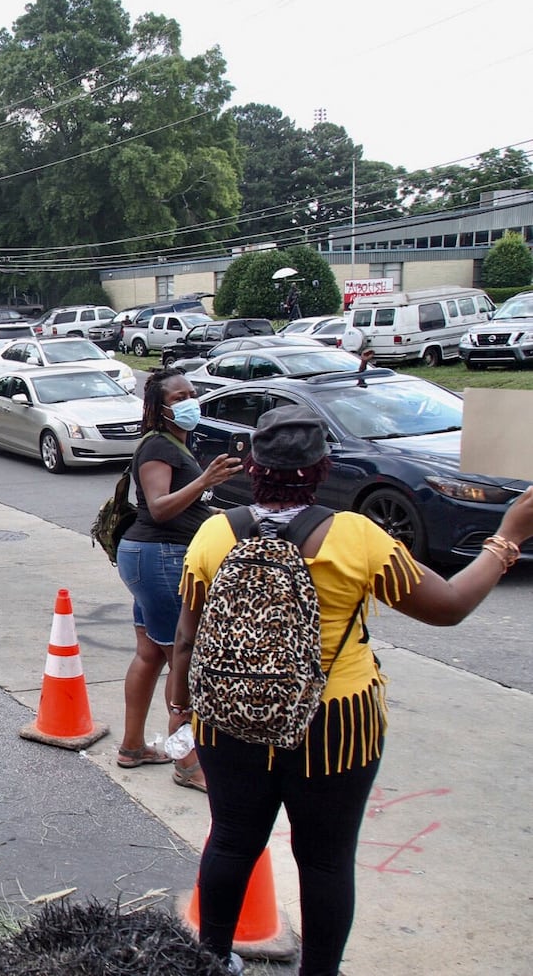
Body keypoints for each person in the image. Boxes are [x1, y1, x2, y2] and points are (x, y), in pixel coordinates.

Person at [170, 406, 533, 976]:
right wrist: (506, 538)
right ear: (322, 468)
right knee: (325, 860)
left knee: (232, 841)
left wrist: (179, 713)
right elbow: (451, 607)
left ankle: (210, 960)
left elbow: (186, 638)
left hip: (230, 718)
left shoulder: (215, 533)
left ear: (253, 466)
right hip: (335, 724)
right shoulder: (357, 537)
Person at [114, 367, 241, 792]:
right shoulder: (156, 447)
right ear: (158, 408)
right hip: (161, 557)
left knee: (150, 652)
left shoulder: (174, 443)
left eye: (192, 392)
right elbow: (160, 507)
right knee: (180, 659)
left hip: (151, 556)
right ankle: (187, 762)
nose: (190, 400)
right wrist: (205, 481)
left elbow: (182, 509)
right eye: (178, 397)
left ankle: (133, 747)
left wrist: (214, 516)